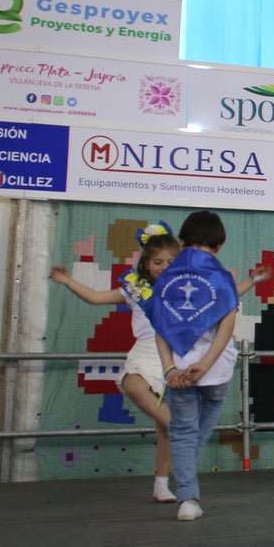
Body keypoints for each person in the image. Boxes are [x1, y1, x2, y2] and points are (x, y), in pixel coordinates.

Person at [50, 222, 181, 502]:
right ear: (146, 263)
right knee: (134, 385)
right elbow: (96, 298)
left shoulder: (186, 289)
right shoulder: (133, 289)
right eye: (158, 262)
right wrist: (69, 281)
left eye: (170, 261)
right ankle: (181, 426)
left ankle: (161, 485)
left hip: (176, 354)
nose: (164, 266)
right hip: (146, 352)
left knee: (163, 429)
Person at [150, 210, 246, 522]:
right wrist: (205, 365)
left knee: (183, 434)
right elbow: (226, 328)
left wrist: (168, 370)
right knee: (193, 434)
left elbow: (160, 327)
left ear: (181, 240)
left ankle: (188, 499)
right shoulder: (222, 278)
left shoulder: (166, 278)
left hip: (178, 370)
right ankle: (188, 488)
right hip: (215, 370)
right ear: (219, 244)